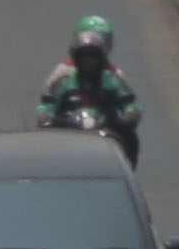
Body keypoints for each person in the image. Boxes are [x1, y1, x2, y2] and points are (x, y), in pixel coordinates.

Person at [33, 16, 142, 162]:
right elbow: (47, 103)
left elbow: (131, 103)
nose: (89, 60)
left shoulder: (113, 78)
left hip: (107, 129)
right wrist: (46, 115)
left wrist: (131, 115)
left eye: (93, 55)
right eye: (84, 56)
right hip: (68, 131)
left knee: (130, 137)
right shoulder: (63, 78)